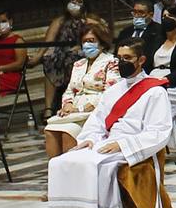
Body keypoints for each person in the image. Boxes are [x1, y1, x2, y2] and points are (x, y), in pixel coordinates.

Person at [47, 40, 176, 208]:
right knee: (63, 162)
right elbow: (97, 121)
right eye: (119, 58)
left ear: (141, 60)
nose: (121, 62)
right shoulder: (114, 90)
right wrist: (88, 139)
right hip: (105, 142)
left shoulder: (155, 91)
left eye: (127, 58)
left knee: (95, 166)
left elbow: (159, 131)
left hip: (132, 146)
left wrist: (123, 146)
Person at [44, 22, 119, 158]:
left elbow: (110, 93)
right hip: (73, 111)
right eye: (85, 41)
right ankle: (57, 174)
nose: (87, 45)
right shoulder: (78, 64)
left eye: (91, 41)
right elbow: (70, 90)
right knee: (50, 130)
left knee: (68, 131)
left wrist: (81, 109)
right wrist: (68, 104)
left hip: (95, 112)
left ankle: (74, 173)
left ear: (101, 43)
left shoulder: (111, 62)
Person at [42, 0, 92, 112]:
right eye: (73, 0)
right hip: (61, 53)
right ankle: (48, 107)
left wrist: (81, 46)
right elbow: (48, 42)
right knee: (50, 60)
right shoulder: (59, 21)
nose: (75, 3)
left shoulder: (89, 21)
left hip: (81, 52)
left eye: (79, 1)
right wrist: (38, 56)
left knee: (72, 58)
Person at [0, 12, 27, 102]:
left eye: (4, 21)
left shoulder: (18, 41)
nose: (1, 25)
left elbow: (19, 64)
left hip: (11, 76)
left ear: (10, 21)